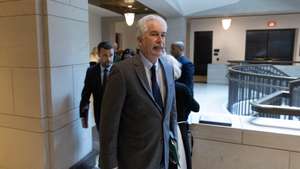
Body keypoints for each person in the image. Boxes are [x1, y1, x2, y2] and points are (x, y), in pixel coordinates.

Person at [100, 14, 178, 169]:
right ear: (140, 40)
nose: (160, 40)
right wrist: (110, 164)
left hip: (163, 157)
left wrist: (173, 142)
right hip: (134, 160)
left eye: (163, 35)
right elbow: (109, 124)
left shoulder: (168, 68)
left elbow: (171, 112)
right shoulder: (122, 72)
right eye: (154, 34)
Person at [163, 52, 200, 169]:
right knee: (181, 161)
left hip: (163, 130)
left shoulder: (158, 88)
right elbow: (196, 107)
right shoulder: (182, 88)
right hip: (179, 129)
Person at [79, 41, 114, 131]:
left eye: (111, 55)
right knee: (102, 139)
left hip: (117, 113)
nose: (109, 59)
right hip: (99, 113)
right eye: (105, 55)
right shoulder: (91, 72)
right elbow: (86, 93)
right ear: (99, 55)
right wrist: (83, 114)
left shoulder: (120, 71)